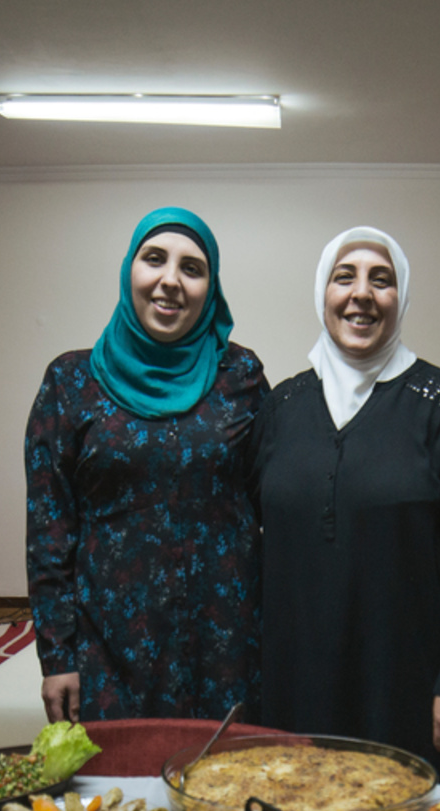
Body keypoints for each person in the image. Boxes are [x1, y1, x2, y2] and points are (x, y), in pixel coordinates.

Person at [255, 226, 440, 782]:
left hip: (410, 692)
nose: (362, 293)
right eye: (344, 277)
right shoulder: (280, 407)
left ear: (402, 298)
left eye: (382, 279)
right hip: (295, 688)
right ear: (323, 292)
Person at [27, 207, 266, 722]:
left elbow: (274, 497)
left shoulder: (241, 375)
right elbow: (49, 530)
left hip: (226, 643)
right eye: (154, 259)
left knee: (227, 787)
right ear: (128, 271)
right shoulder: (69, 383)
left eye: (192, 268)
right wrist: (56, 655)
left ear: (211, 287)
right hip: (110, 647)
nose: (170, 281)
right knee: (123, 793)